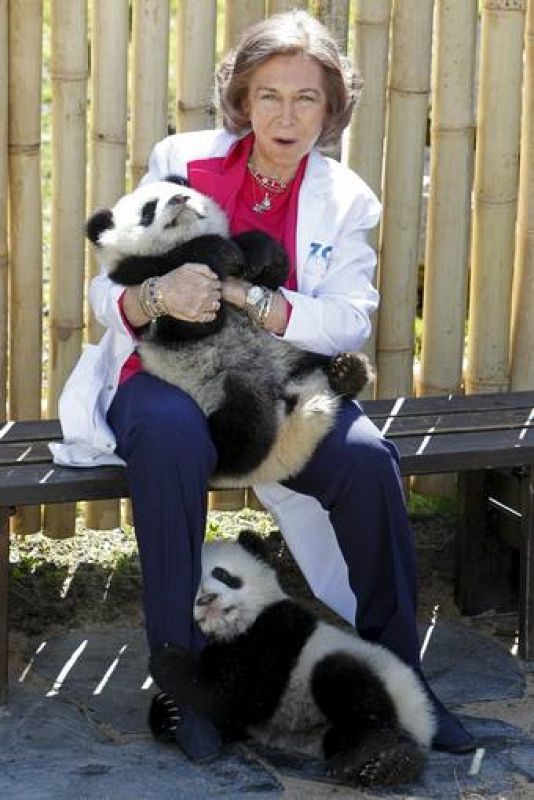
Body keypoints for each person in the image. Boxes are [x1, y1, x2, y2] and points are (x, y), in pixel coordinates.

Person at [53, 10, 475, 761]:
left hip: (275, 390)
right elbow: (104, 287)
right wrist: (155, 296)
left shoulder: (347, 200)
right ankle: (186, 687)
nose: (286, 114)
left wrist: (255, 300)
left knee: (369, 460)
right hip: (167, 376)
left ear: (332, 108)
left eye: (306, 97)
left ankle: (405, 683)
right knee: (171, 438)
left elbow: (348, 319)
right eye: (269, 95)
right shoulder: (182, 160)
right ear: (242, 101)